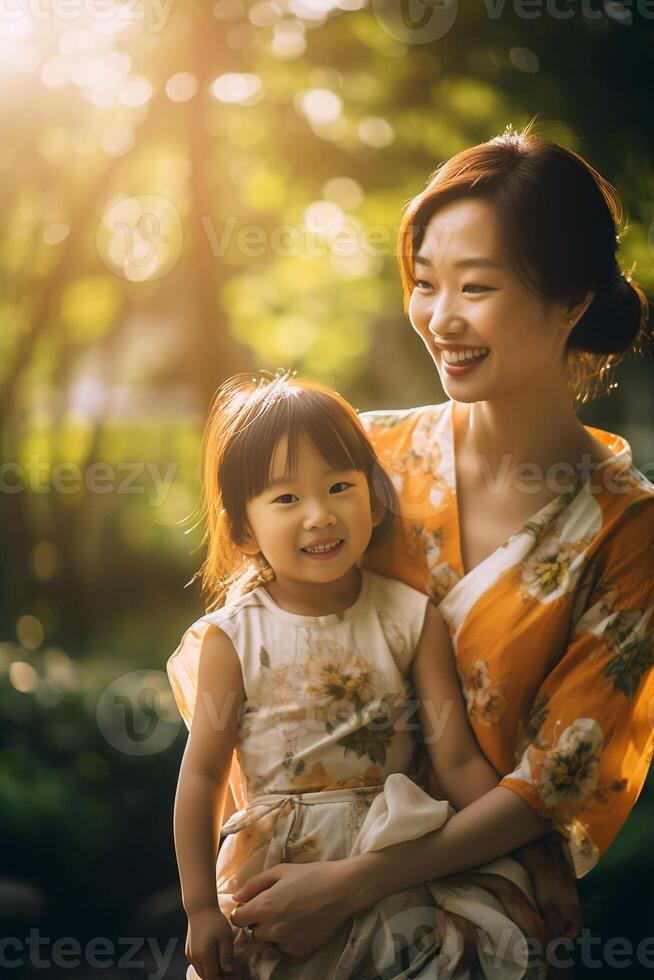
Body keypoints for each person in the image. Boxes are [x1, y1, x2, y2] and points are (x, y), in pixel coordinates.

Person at [226, 125, 654, 971]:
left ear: (570, 299)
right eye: (425, 284)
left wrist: (356, 884)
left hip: (476, 919)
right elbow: (249, 657)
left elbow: (558, 775)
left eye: (476, 287)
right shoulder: (360, 462)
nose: (440, 317)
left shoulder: (626, 529)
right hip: (289, 886)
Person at [166, 369, 559, 980]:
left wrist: (538, 859)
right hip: (275, 875)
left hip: (395, 859)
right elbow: (203, 777)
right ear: (244, 528)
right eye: (286, 498)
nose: (320, 515)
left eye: (340, 486)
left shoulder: (408, 617)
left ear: (374, 498)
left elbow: (455, 760)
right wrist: (197, 907)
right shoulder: (233, 636)